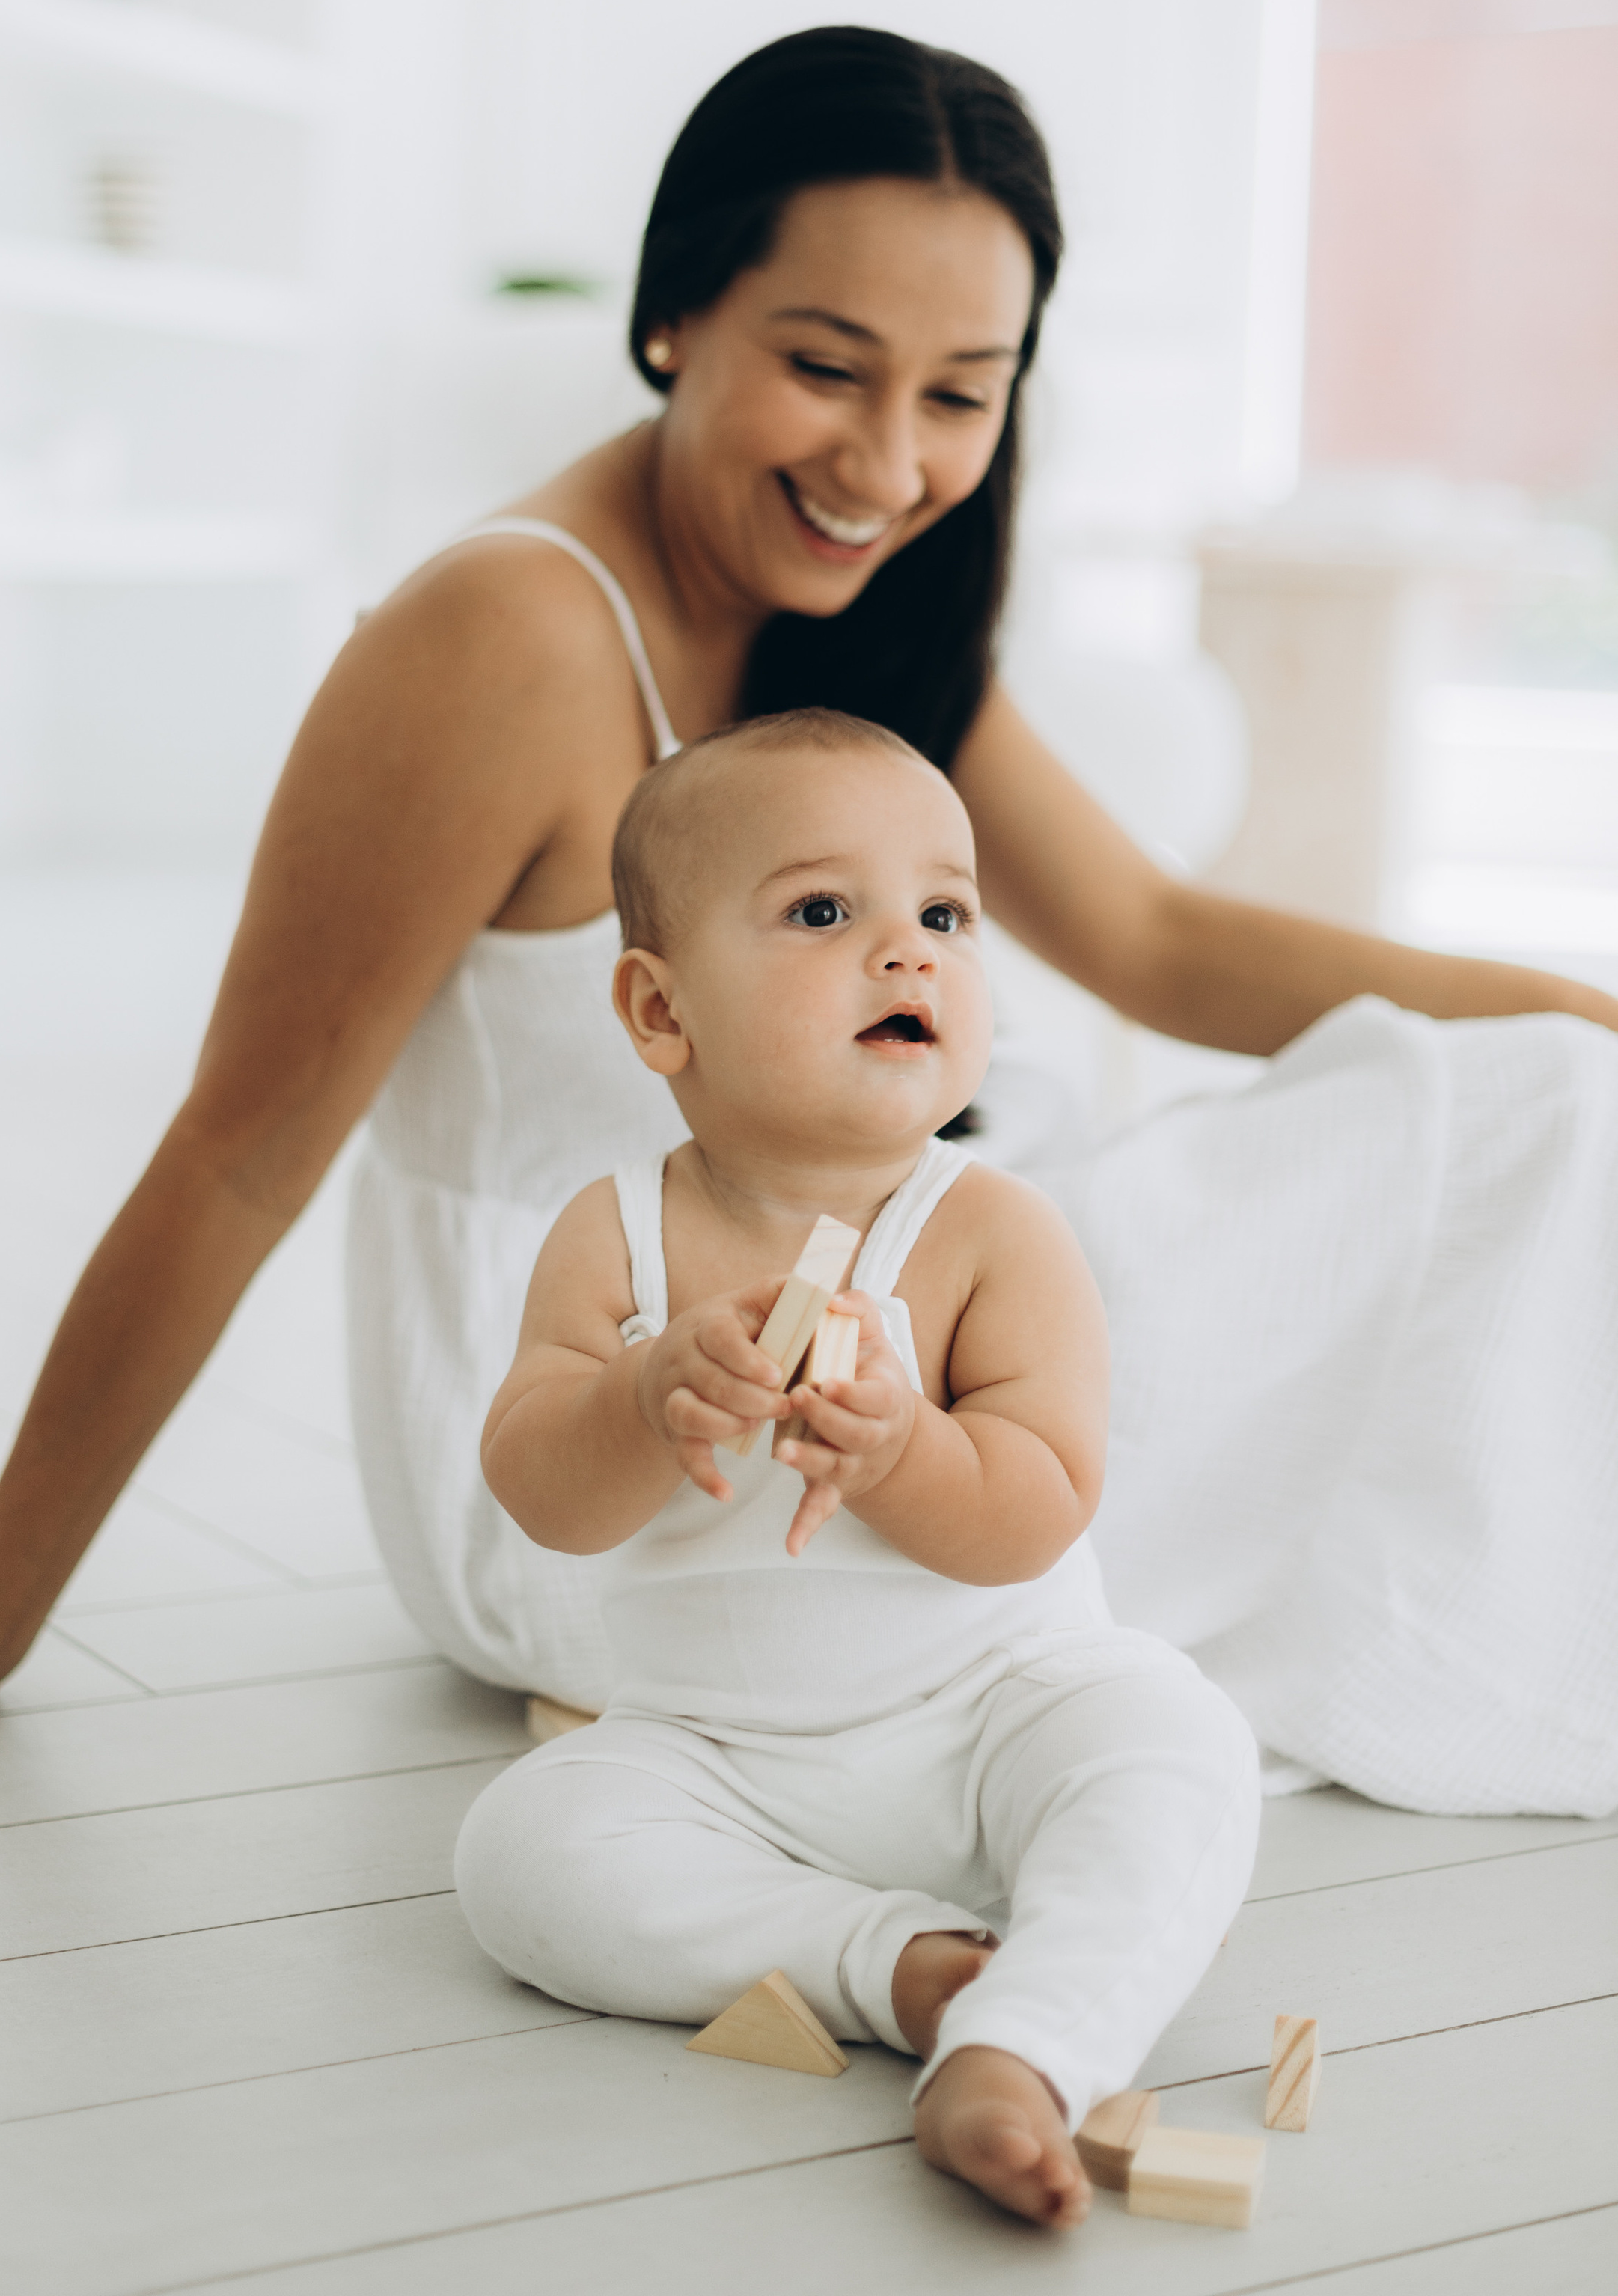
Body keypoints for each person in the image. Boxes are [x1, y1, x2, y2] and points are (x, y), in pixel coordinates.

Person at [0, 27, 1614, 1822]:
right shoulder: (502, 641)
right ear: (669, 314)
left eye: (959, 394)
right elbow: (242, 1151)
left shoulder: (855, 605)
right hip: (622, 1451)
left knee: (1532, 1105)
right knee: (1488, 1195)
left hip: (909, 1326)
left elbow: (1159, 943)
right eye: (823, 364)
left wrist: (1566, 1007)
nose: (885, 465)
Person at [461, 706, 1260, 2229]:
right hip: (717, 1756)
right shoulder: (611, 1233)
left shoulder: (990, 1230)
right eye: (824, 911)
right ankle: (896, 1968)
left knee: (1176, 1741)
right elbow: (537, 1493)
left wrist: (904, 1452)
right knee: (521, 1855)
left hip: (993, 1713)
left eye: (942, 914)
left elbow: (1035, 1511)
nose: (907, 953)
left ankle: (1026, 2047)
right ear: (657, 1007)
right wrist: (639, 1399)